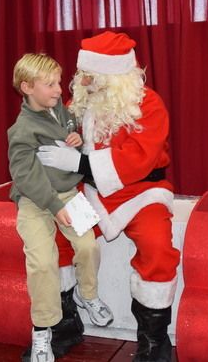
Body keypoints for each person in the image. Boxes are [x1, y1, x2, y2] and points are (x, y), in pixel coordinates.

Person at [37, 31, 180, 362]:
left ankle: (154, 341)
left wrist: (79, 162)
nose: (82, 80)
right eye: (82, 73)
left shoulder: (149, 104)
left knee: (157, 247)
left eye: (91, 74)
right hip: (92, 195)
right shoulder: (78, 104)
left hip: (142, 194)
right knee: (56, 237)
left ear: (114, 76)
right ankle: (64, 326)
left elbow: (139, 158)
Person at [8, 53, 114, 362]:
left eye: (58, 82)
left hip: (68, 194)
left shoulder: (62, 112)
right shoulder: (22, 130)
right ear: (27, 87)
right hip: (35, 201)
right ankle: (43, 330)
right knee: (42, 263)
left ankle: (87, 295)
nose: (58, 89)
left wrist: (76, 138)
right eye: (50, 84)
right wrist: (54, 206)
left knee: (89, 246)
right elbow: (25, 176)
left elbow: (72, 133)